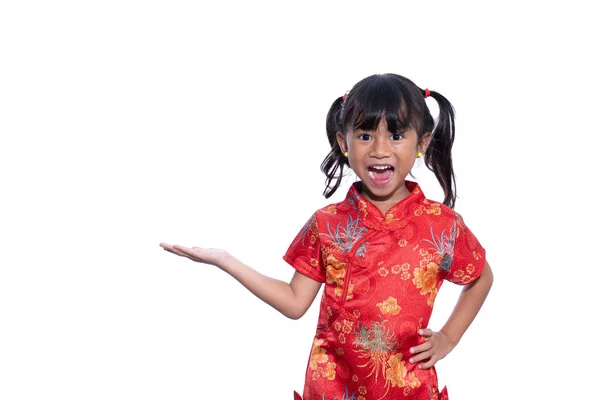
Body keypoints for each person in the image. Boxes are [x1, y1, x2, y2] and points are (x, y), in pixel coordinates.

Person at [160, 73, 494, 400]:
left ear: (421, 143)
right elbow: (294, 302)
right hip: (333, 388)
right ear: (342, 142)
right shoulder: (328, 224)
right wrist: (225, 259)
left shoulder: (442, 225)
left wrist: (449, 337)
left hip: (409, 388)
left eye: (395, 136)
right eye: (364, 136)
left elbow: (480, 277)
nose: (379, 149)